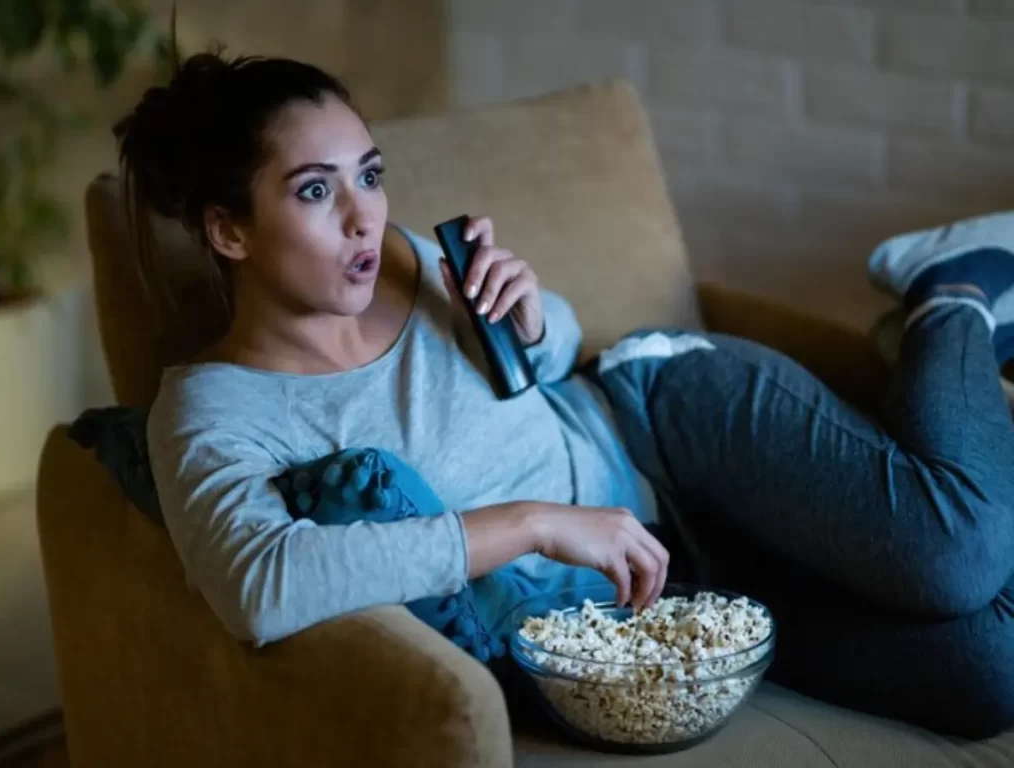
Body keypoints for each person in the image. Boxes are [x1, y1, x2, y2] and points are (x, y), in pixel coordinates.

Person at [115, 50, 1014, 740]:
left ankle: (949, 293)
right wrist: (535, 523)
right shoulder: (212, 410)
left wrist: (531, 318)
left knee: (953, 555)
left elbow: (565, 355)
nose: (365, 216)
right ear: (228, 229)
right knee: (990, 670)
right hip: (654, 597)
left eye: (371, 175)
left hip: (664, 417)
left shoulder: (407, 260)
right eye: (316, 191)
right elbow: (259, 586)